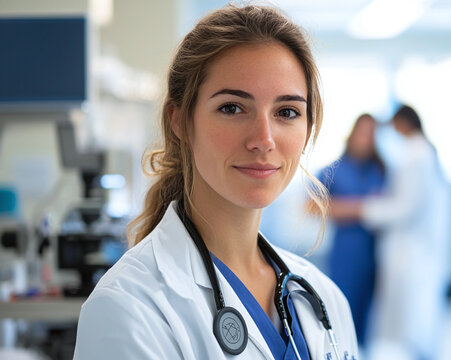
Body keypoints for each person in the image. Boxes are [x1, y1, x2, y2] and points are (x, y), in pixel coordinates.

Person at [73, 5, 358, 359]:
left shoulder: (323, 299)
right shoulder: (129, 308)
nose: (264, 139)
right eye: (232, 108)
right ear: (179, 121)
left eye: (286, 112)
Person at [331, 105, 451, 360]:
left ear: (402, 125)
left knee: (409, 328)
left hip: (407, 254)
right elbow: (312, 205)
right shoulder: (412, 156)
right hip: (358, 253)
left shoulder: (410, 158)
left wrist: (359, 209)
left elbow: (404, 207)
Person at [317, 114, 386, 347]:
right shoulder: (335, 169)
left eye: (373, 135)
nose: (367, 140)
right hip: (346, 252)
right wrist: (360, 210)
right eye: (363, 133)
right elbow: (310, 206)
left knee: (369, 321)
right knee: (340, 312)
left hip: (376, 253)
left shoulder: (381, 170)